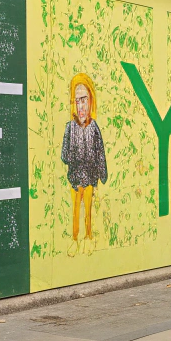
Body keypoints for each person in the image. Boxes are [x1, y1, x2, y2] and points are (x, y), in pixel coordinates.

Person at [60, 73, 108, 255]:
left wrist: (102, 173)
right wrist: (73, 159)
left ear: (91, 101)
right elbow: (64, 154)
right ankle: (74, 239)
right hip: (74, 176)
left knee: (87, 207)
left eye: (84, 100)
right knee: (75, 209)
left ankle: (88, 237)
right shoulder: (69, 127)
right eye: (77, 100)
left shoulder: (94, 128)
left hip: (90, 176)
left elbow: (100, 152)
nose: (81, 105)